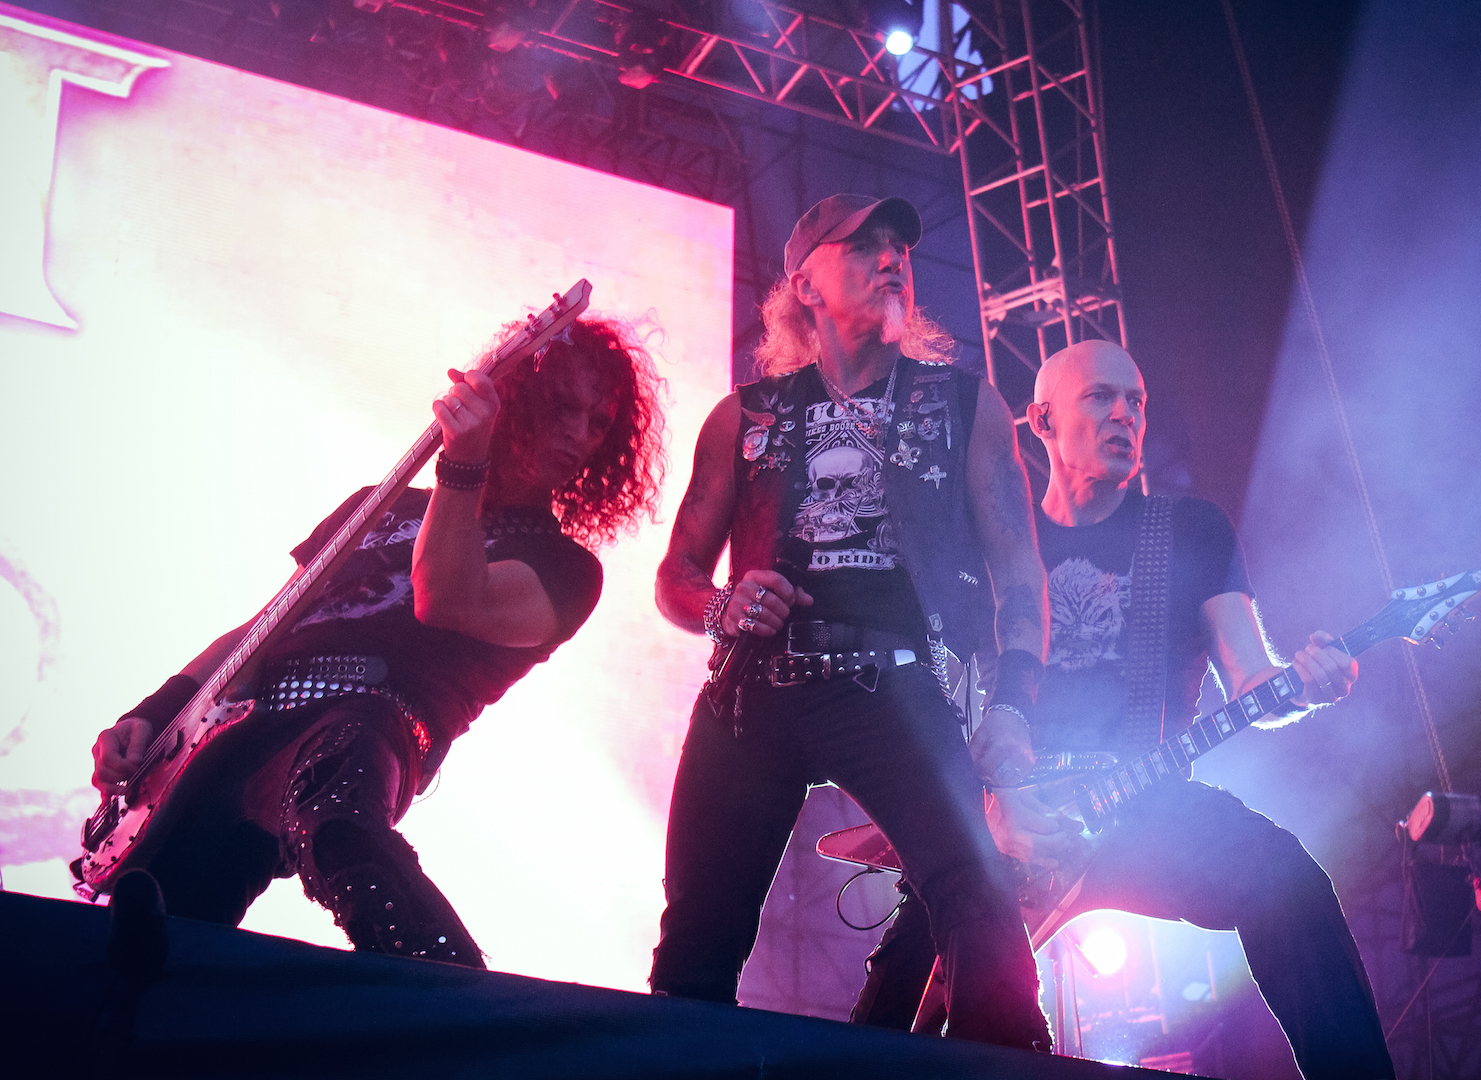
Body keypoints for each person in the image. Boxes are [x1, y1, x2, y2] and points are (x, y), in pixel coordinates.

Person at [852, 338, 1397, 1078]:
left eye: (1136, 401)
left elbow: (1251, 678)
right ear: (1042, 421)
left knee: (1289, 883)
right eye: (1100, 397)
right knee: (899, 996)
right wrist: (974, 807)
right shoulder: (992, 541)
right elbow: (945, 689)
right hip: (1009, 816)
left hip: (1146, 802)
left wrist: (1303, 684)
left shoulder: (1190, 530)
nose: (1125, 415)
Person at [88, 316, 665, 967]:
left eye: (598, 423)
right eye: (563, 407)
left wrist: (463, 462)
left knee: (338, 822)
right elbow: (266, 626)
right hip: (240, 723)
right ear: (518, 400)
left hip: (371, 716)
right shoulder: (379, 504)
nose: (579, 434)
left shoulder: (566, 569)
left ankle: (450, 995)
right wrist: (156, 712)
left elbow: (443, 596)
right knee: (163, 914)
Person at [647, 193, 1052, 1050]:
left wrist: (1014, 703)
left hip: (894, 685)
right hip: (754, 691)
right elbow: (675, 578)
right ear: (806, 284)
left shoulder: (965, 405)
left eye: (899, 243)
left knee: (976, 897)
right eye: (862, 245)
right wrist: (722, 604)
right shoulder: (744, 417)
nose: (892, 256)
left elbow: (1019, 571)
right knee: (695, 945)